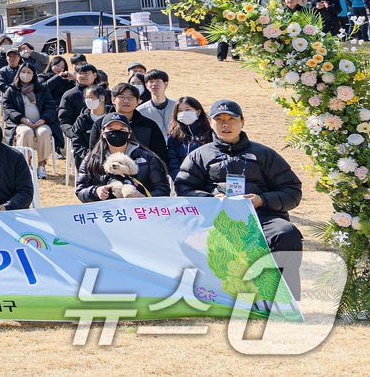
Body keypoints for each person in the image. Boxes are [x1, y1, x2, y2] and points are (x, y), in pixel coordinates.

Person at [175, 99, 303, 294]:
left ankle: (283, 298)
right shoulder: (199, 155)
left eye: (231, 119)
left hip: (261, 216)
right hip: (217, 219)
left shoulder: (264, 154)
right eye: (219, 120)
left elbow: (292, 191)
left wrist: (261, 200)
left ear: (242, 121)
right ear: (210, 123)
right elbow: (183, 188)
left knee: (286, 233)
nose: (226, 124)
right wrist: (212, 200)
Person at [75, 113, 171, 202]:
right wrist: (95, 191)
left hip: (140, 213)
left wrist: (143, 197)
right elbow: (80, 190)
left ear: (129, 133)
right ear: (103, 133)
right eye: (111, 129)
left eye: (122, 129)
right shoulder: (92, 160)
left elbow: (162, 190)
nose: (116, 133)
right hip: (105, 214)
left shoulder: (147, 158)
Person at [2, 63, 58, 179]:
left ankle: (42, 165)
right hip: (21, 122)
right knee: (26, 133)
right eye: (23, 72)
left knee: (44, 133)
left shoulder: (41, 89)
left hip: (41, 122)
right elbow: (8, 108)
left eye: (29, 72)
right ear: (19, 73)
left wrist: (44, 119)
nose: (25, 75)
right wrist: (22, 119)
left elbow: (50, 106)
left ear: (34, 75)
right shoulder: (12, 90)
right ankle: (26, 164)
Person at [92, 83, 168, 164]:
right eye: (121, 97)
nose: (126, 101)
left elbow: (160, 155)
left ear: (137, 101)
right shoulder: (101, 124)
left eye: (130, 98)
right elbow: (94, 151)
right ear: (113, 99)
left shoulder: (149, 125)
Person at [166, 96, 214, 175]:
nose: (184, 113)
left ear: (198, 112)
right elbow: (173, 160)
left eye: (187, 109)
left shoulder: (210, 134)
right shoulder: (174, 136)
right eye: (180, 111)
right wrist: (179, 177)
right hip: (183, 179)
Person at [68, 85, 110, 164]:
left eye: (90, 97)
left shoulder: (112, 116)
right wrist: (90, 156)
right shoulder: (82, 119)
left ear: (102, 98)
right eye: (86, 98)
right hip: (88, 159)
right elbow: (77, 141)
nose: (88, 100)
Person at [136, 69, 174, 137]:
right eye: (151, 81)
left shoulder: (176, 107)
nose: (154, 84)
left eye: (158, 81)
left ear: (166, 84)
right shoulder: (140, 111)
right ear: (146, 85)